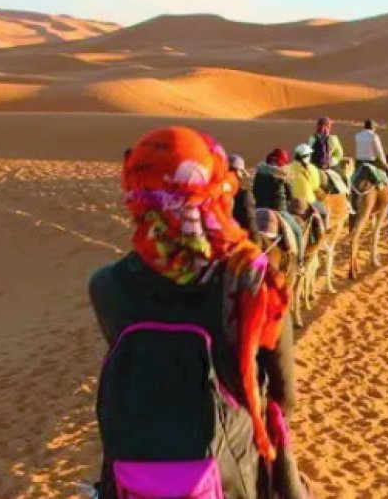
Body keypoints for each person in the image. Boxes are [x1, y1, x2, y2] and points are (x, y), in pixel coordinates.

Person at [89, 127, 304, 499]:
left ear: (137, 193)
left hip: (131, 475)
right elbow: (285, 396)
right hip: (229, 476)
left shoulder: (107, 285)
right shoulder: (252, 280)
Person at [254, 147, 303, 242]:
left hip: (259, 207)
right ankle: (300, 257)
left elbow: (255, 190)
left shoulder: (259, 172)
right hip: (278, 209)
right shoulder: (281, 174)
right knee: (298, 232)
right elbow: (290, 195)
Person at [290, 143, 329, 231]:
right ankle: (324, 233)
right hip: (308, 200)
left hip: (291, 200)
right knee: (325, 213)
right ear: (307, 156)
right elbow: (315, 186)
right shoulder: (312, 168)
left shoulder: (289, 167)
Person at [228, 153, 259, 242]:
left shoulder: (213, 192)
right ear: (239, 174)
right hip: (238, 241)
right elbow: (251, 227)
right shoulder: (245, 196)